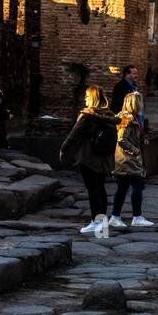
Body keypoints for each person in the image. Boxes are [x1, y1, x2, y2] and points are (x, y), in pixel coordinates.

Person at [59, 86, 118, 234]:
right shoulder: (109, 115)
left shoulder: (87, 115)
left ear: (92, 98)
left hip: (88, 156)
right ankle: (102, 223)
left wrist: (63, 149)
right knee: (101, 188)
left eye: (86, 96)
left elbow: (74, 134)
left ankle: (95, 222)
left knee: (93, 190)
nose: (84, 98)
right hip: (105, 157)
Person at [109, 91, 153, 228]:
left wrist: (141, 141)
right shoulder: (127, 118)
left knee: (123, 188)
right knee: (137, 186)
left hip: (125, 159)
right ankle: (136, 217)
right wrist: (135, 151)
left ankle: (116, 216)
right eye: (140, 101)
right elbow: (121, 139)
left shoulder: (131, 117)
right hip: (127, 159)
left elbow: (129, 137)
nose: (143, 104)